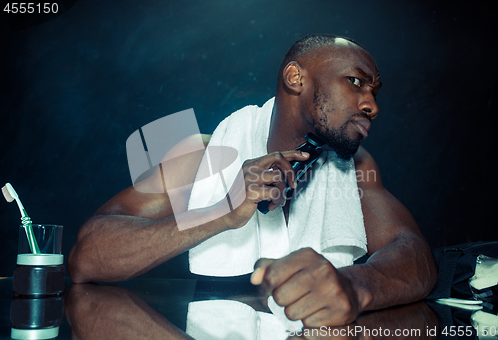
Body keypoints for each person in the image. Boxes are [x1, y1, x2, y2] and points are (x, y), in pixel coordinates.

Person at [68, 34, 437, 327]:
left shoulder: (355, 166)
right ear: (296, 78)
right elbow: (86, 258)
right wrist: (222, 211)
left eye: (374, 91)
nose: (372, 105)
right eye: (355, 82)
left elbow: (415, 256)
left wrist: (354, 287)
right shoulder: (200, 156)